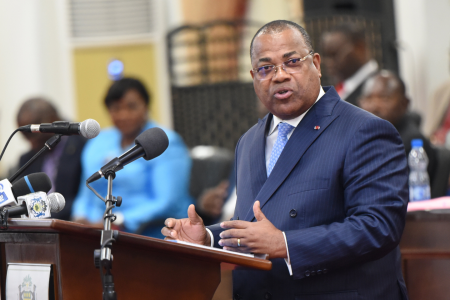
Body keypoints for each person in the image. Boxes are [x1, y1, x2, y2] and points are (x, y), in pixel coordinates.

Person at [162, 20, 409, 299]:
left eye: (292, 62)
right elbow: (253, 226)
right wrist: (207, 238)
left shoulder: (363, 130)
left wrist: (285, 243)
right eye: (266, 68)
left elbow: (379, 226)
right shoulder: (249, 141)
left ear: (315, 64)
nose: (279, 75)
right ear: (254, 77)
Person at [72, 78, 193, 238]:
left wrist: (117, 221)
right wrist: (80, 218)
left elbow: (167, 202)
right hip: (97, 231)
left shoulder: (162, 141)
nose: (123, 114)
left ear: (146, 106)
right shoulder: (99, 142)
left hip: (153, 235)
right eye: (116, 108)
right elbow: (86, 192)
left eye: (131, 107)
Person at [359, 70, 438, 187]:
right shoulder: (364, 137)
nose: (374, 106)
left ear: (404, 103)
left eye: (384, 98)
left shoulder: (409, 142)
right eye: (368, 99)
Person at [15, 98, 86, 220]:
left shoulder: (83, 146)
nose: (31, 142)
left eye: (32, 134)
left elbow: (84, 197)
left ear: (53, 119)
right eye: (25, 136)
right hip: (35, 228)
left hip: (73, 224)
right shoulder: (27, 159)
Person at [321, 22, 378, 106]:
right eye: (326, 56)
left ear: (359, 48)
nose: (329, 63)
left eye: (334, 54)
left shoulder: (378, 90)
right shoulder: (340, 88)